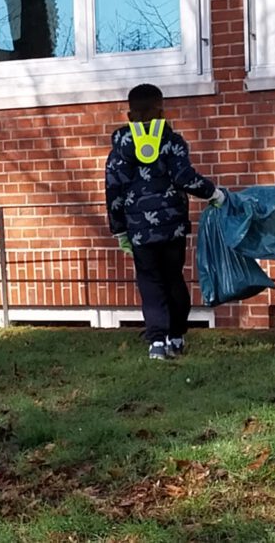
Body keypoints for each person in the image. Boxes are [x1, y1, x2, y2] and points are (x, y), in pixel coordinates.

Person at [105, 84, 225, 361]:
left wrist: (118, 228)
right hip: (173, 226)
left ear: (129, 114)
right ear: (162, 110)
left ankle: (156, 341)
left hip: (138, 230)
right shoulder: (172, 142)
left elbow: (113, 188)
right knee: (173, 278)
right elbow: (184, 177)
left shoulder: (120, 148)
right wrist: (213, 193)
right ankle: (176, 335)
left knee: (149, 281)